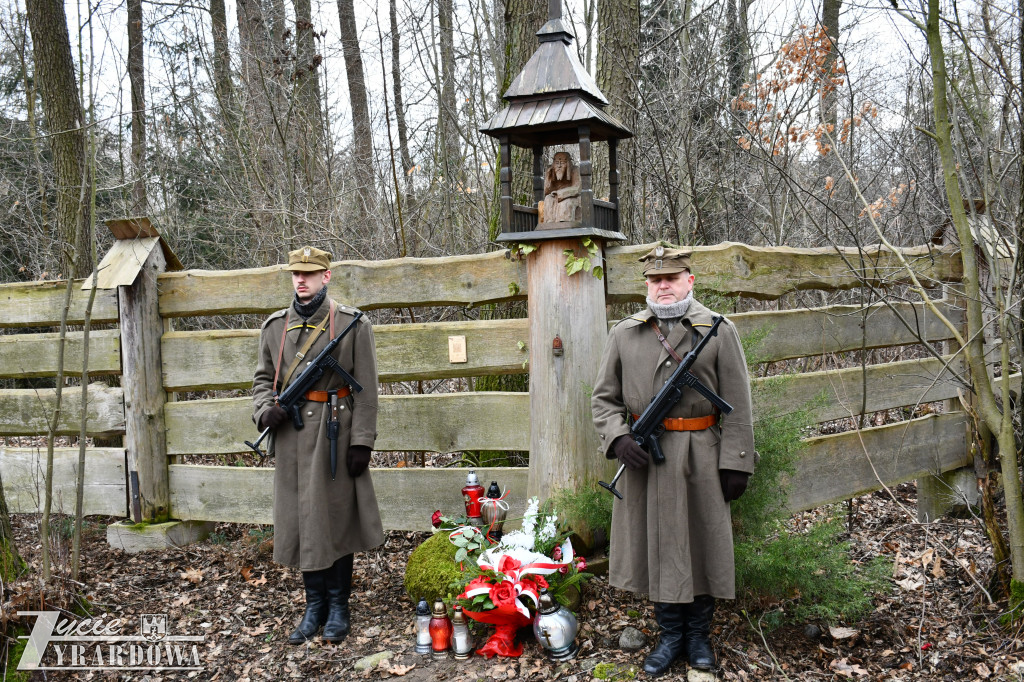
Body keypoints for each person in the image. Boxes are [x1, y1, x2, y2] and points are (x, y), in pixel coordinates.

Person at [591, 246, 755, 675]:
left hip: (703, 452)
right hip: (647, 458)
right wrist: (618, 438)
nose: (663, 286)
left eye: (671, 278)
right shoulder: (625, 333)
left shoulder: (718, 331)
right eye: (654, 280)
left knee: (701, 544)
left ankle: (698, 637)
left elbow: (738, 402)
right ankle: (669, 637)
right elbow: (604, 399)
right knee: (659, 546)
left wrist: (737, 461)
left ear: (689, 280)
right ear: (646, 285)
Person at [252, 246, 384, 645]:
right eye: (296, 274)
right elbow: (262, 382)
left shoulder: (352, 324)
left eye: (309, 273)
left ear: (326, 276)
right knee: (303, 520)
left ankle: (339, 607)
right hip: (293, 438)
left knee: (337, 519)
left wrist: (362, 440)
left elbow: (369, 388)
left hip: (335, 433)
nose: (301, 280)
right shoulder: (275, 326)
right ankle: (315, 608)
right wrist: (264, 412)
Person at [541, 151, 581, 223]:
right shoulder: (551, 172)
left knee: (566, 203)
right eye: (557, 163)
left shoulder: (575, 170)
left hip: (571, 197)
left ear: (568, 164)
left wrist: (560, 193)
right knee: (548, 199)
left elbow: (577, 188)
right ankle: (550, 223)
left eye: (562, 163)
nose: (559, 166)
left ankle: (563, 223)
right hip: (556, 197)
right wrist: (548, 177)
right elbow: (546, 192)